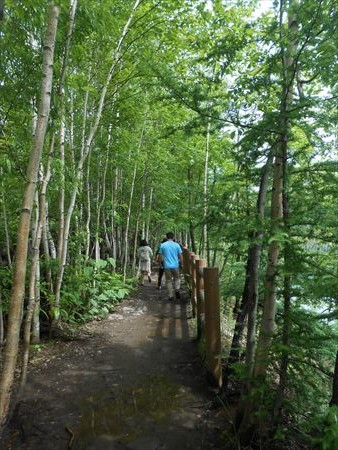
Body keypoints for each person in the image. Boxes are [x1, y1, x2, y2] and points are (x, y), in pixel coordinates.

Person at [158, 232, 183, 301]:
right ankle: (177, 289)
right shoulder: (177, 245)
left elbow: (160, 256)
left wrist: (160, 264)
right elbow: (180, 255)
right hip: (175, 265)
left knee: (168, 280)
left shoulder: (162, 245)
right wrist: (181, 263)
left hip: (167, 266)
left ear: (166, 237)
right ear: (173, 237)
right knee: (177, 278)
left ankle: (170, 295)